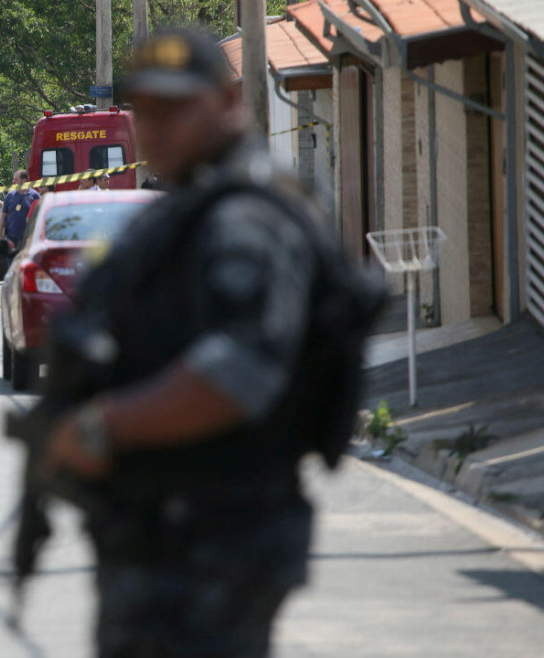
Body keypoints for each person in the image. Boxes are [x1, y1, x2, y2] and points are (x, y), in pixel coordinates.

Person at [39, 29, 334, 657]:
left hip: (216, 534)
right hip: (170, 531)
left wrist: (101, 426)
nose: (157, 127)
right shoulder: (186, 210)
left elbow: (240, 367)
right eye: (144, 111)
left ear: (229, 102)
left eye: (176, 108)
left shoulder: (245, 219)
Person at [0, 170, 40, 251]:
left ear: (24, 181)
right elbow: (3, 216)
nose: (13, 182)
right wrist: (0, 236)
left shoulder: (35, 196)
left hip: (29, 239)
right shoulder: (10, 196)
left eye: (16, 180)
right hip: (11, 239)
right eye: (13, 179)